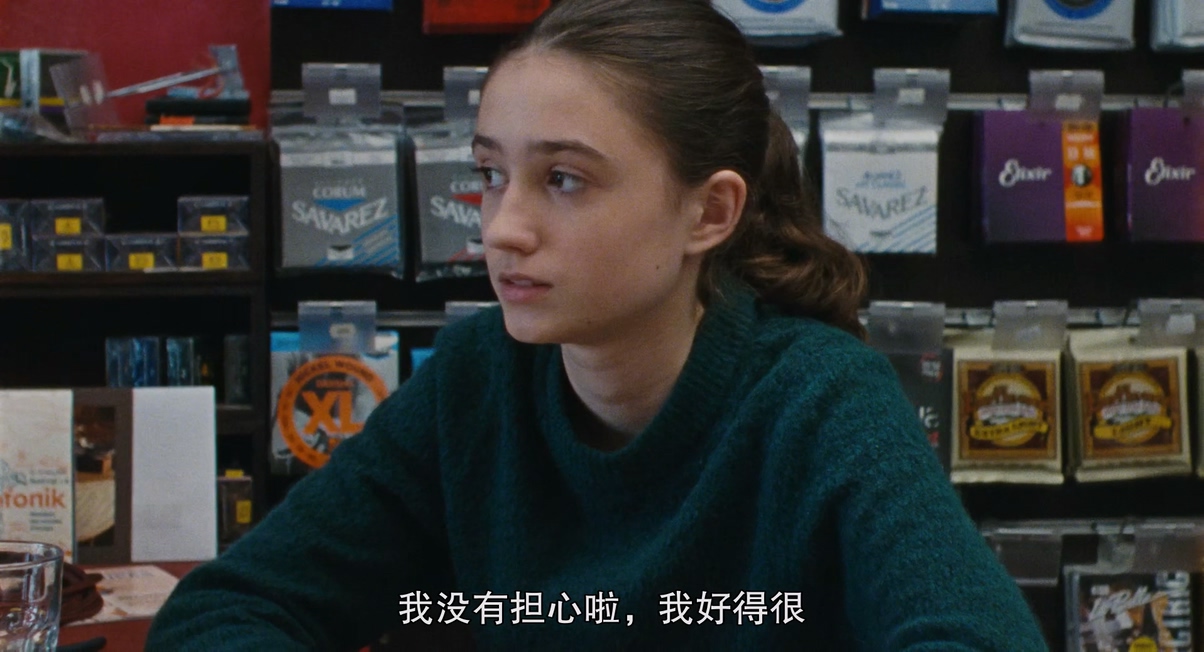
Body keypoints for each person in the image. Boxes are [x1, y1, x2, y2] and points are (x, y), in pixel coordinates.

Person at [147, 0, 1049, 649]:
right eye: (491, 174)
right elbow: (224, 612)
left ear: (709, 212)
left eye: (564, 180)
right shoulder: (477, 377)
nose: (501, 228)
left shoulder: (821, 399)